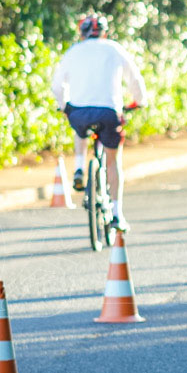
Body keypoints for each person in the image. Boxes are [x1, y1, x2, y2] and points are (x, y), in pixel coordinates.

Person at [51, 14, 148, 231]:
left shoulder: (73, 51)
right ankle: (117, 213)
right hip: (109, 112)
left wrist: (64, 105)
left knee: (78, 123)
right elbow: (135, 79)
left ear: (81, 33)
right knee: (113, 162)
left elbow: (57, 85)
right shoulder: (114, 49)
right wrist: (140, 102)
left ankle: (78, 169)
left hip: (80, 113)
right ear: (104, 32)